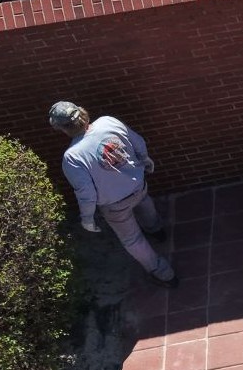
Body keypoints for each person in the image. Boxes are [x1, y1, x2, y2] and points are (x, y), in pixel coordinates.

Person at [50, 101, 176, 286]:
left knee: (132, 239)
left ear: (62, 128)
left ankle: (163, 273)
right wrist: (144, 159)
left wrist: (87, 218)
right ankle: (156, 230)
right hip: (137, 184)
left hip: (114, 204)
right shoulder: (108, 122)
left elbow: (86, 194)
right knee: (144, 202)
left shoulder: (72, 157)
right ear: (81, 112)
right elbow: (138, 141)